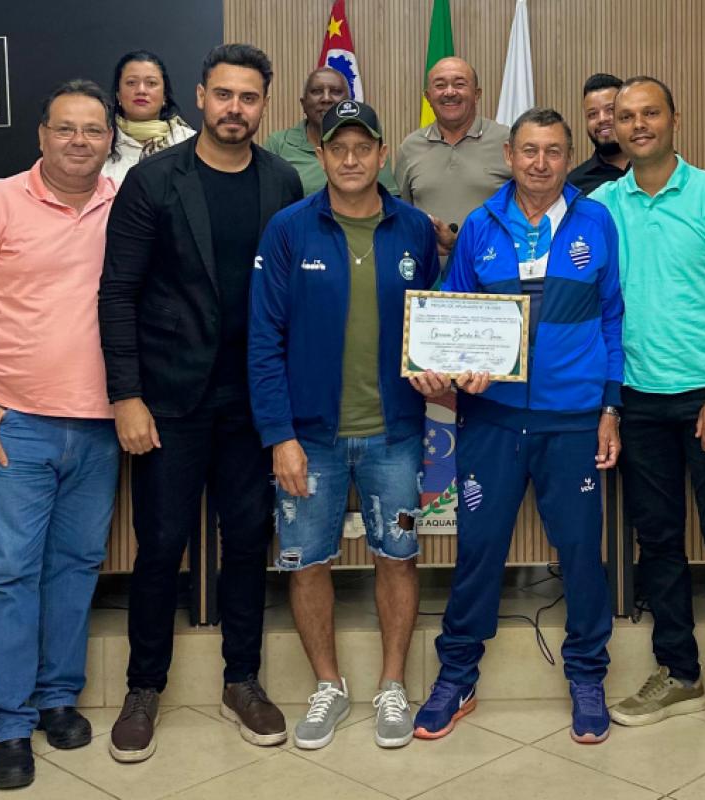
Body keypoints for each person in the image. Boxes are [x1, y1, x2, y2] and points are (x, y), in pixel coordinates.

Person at [98, 43, 303, 763]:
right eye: (223, 95)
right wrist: (126, 394)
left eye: (249, 98)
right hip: (170, 400)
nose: (235, 110)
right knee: (160, 545)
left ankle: (241, 680)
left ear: (263, 104)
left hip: (253, 402)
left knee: (249, 541)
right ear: (201, 95)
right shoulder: (153, 181)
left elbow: (291, 301)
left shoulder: (281, 183)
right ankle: (143, 687)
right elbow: (117, 294)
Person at [0, 80, 118, 790]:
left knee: (74, 567)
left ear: (110, 139)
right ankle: (7, 721)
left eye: (92, 130)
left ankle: (57, 697)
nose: (78, 141)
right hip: (14, 425)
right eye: (65, 128)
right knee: (6, 573)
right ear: (41, 135)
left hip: (98, 428)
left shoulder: (123, 206)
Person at [410, 107, 623, 745]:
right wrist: (447, 366)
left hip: (574, 420)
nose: (541, 163)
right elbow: (454, 312)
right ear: (511, 153)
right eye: (529, 150)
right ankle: (456, 675)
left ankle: (587, 675)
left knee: (583, 554)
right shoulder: (481, 225)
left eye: (554, 151)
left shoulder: (597, 220)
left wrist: (610, 408)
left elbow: (614, 320)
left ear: (567, 155)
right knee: (478, 550)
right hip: (493, 420)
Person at [591, 76, 705, 773]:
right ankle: (679, 670)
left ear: (675, 119)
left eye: (650, 114)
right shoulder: (603, 205)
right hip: (638, 401)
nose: (637, 125)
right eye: (625, 116)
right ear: (612, 127)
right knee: (658, 543)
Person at [248, 99, 439, 750]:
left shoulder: (414, 229)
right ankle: (327, 685)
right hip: (310, 438)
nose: (352, 159)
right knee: (306, 563)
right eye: (339, 148)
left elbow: (438, 323)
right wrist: (279, 436)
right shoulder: (288, 229)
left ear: (384, 154)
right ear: (321, 155)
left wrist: (445, 365)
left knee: (400, 556)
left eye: (364, 147)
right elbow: (263, 339)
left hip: (397, 434)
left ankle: (391, 685)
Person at [395, 56, 511, 254]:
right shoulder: (410, 147)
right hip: (429, 278)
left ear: (477, 94)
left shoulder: (507, 141)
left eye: (459, 84)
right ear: (428, 96)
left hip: (493, 275)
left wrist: (456, 243)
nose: (450, 92)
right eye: (440, 85)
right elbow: (401, 216)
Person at [262, 66, 398, 196]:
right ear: (303, 103)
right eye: (316, 91)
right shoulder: (278, 144)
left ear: (348, 102)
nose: (326, 98)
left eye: (336, 91)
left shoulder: (367, 139)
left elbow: (387, 199)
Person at [101, 50, 196, 184]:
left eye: (151, 83)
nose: (141, 90)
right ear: (118, 94)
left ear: (164, 96)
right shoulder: (102, 143)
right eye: (131, 83)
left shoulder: (191, 143)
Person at [567, 73, 629, 194]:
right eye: (592, 114)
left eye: (610, 110)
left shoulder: (660, 167)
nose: (602, 119)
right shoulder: (574, 186)